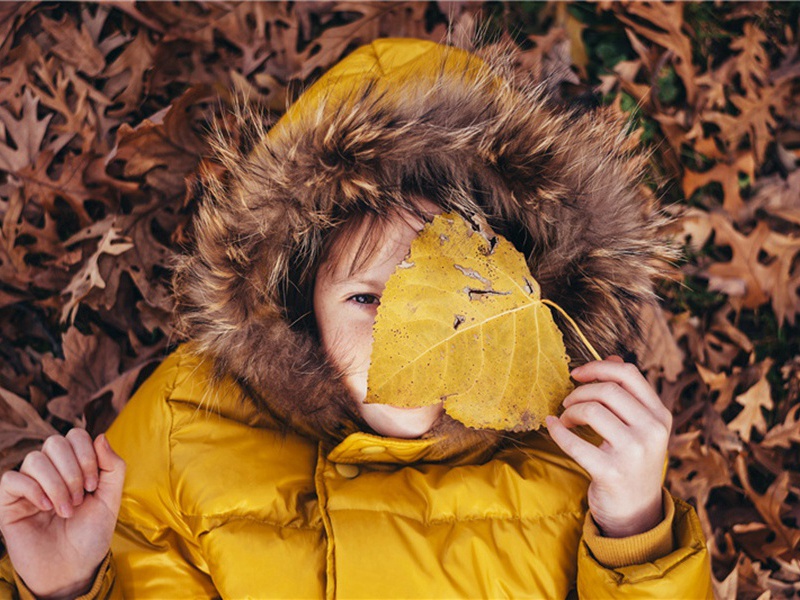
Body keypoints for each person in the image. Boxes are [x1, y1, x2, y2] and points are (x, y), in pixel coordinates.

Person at [0, 38, 713, 598]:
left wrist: (634, 532)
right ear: (299, 301)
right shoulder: (189, 419)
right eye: (368, 299)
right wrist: (62, 585)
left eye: (456, 296)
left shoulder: (572, 450)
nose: (413, 339)